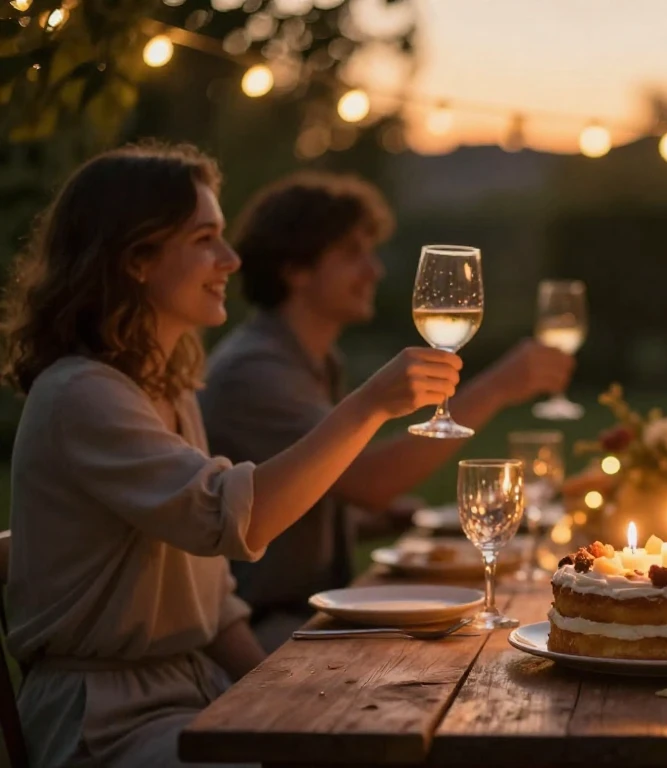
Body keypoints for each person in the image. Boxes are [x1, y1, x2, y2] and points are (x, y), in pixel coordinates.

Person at [1, 143, 463, 768]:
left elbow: (214, 606)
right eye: (204, 238)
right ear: (136, 257)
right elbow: (236, 518)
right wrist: (371, 404)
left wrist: (286, 695)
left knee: (388, 716)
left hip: (194, 691)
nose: (231, 259)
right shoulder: (81, 395)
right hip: (104, 720)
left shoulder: (166, 390)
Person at [198, 171, 574, 649]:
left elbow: (313, 490)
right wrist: (498, 386)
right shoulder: (254, 369)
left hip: (314, 609)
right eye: (352, 253)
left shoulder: (312, 360)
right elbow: (370, 482)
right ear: (296, 267)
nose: (373, 270)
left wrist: (373, 522)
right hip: (262, 628)